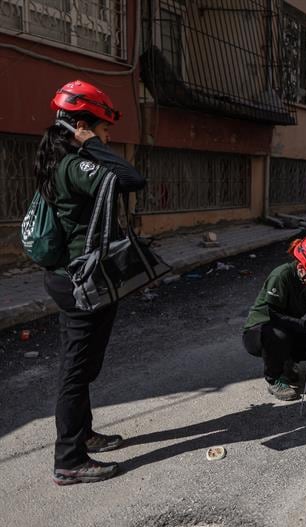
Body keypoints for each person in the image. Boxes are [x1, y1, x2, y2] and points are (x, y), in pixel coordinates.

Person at [36, 80, 148, 485]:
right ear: (82, 127)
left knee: (83, 365)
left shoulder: (59, 160)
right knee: (76, 369)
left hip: (78, 276)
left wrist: (87, 142)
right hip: (80, 280)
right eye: (102, 129)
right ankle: (69, 459)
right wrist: (89, 144)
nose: (108, 137)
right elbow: (132, 178)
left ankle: (83, 434)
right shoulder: (76, 163)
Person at [242, 235, 306, 401]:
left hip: (290, 328)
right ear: (302, 266)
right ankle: (274, 378)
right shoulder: (281, 276)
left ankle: (289, 361)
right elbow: (274, 316)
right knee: (278, 335)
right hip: (262, 330)